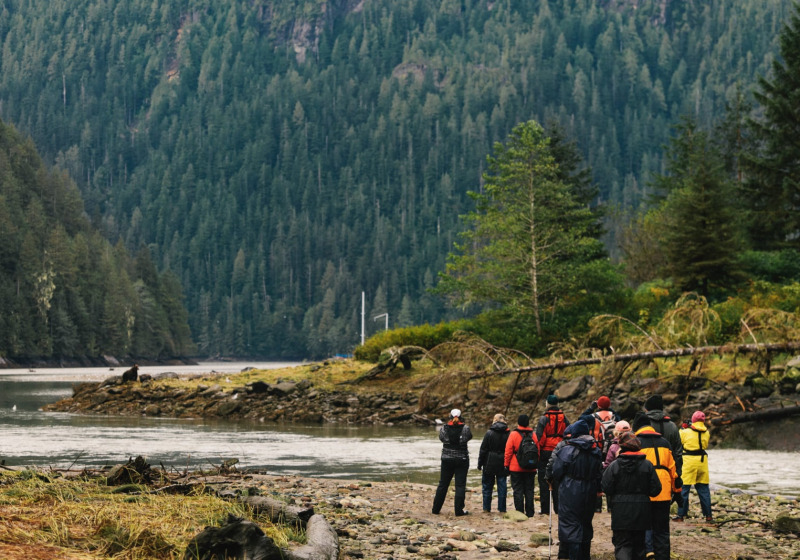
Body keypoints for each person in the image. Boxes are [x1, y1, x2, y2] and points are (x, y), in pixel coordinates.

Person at [601, 432, 663, 560]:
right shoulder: (647, 465)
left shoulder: (614, 466)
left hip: (620, 510)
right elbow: (656, 489)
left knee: (622, 544)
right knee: (639, 546)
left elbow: (606, 487)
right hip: (642, 510)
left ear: (622, 447)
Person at [550, 419, 604, 560]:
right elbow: (599, 474)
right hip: (590, 489)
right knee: (585, 522)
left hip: (571, 490)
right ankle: (585, 556)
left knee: (570, 523)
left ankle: (572, 556)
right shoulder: (595, 451)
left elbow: (556, 472)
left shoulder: (567, 451)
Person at [633, 413, 682, 560]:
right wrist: (677, 492)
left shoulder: (636, 443)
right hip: (664, 491)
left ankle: (647, 552)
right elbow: (673, 471)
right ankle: (663, 556)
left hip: (644, 492)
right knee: (662, 530)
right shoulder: (665, 443)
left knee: (643, 526)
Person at [432, 408, 473, 516]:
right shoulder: (465, 428)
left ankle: (436, 509)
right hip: (462, 459)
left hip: (447, 459)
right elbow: (468, 437)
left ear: (450, 416)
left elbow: (441, 438)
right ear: (461, 417)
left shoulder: (444, 428)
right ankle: (459, 511)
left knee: (443, 484)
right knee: (460, 485)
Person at [675, 410, 712, 522]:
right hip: (702, 462)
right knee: (703, 489)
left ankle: (681, 515)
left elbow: (679, 440)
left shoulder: (685, 432)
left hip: (688, 461)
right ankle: (708, 515)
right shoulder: (707, 432)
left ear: (693, 420)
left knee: (684, 489)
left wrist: (683, 428)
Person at [535, 394, 569, 514]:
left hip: (546, 452)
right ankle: (558, 509)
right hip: (561, 451)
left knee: (544, 480)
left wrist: (538, 454)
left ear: (547, 404)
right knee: (558, 480)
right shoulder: (564, 417)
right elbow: (568, 433)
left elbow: (540, 438)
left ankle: (545, 510)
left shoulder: (544, 418)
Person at [504, 414, 538, 517]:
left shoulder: (513, 434)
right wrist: (535, 464)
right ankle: (530, 512)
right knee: (529, 490)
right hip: (530, 468)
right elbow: (538, 451)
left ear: (518, 422)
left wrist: (506, 465)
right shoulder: (533, 434)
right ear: (528, 423)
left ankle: (519, 512)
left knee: (518, 490)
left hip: (516, 467)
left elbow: (508, 451)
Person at [642, 394, 683, 476]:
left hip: (646, 473)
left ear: (647, 409)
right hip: (667, 472)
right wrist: (678, 474)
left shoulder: (641, 425)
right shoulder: (672, 426)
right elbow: (678, 453)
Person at [477, 412, 510, 513]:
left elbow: (483, 450)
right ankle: (502, 509)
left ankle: (486, 508)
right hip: (503, 462)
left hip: (489, 462)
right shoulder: (509, 433)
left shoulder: (489, 433)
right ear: (504, 420)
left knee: (487, 486)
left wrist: (479, 463)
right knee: (502, 486)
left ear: (495, 420)